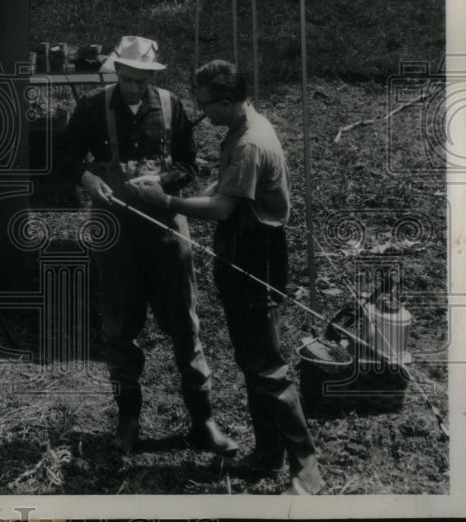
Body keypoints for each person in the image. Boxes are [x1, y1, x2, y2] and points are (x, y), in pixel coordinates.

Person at [130, 59, 324, 495]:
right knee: (251, 362)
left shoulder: (251, 143)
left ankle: (307, 471)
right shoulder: (239, 130)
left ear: (227, 100)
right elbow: (221, 193)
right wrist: (170, 189)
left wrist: (166, 201)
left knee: (269, 369)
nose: (201, 115)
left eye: (205, 105)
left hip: (258, 257)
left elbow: (220, 209)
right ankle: (268, 453)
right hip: (239, 249)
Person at [62, 35, 236, 456]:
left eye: (143, 80)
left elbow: (189, 164)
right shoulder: (90, 108)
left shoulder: (173, 105)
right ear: (116, 71)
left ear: (153, 77)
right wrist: (87, 178)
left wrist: (162, 182)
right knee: (119, 328)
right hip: (115, 235)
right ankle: (128, 423)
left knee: (185, 327)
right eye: (128, 78)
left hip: (166, 233)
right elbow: (62, 157)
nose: (135, 87)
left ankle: (203, 420)